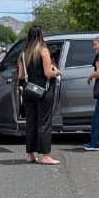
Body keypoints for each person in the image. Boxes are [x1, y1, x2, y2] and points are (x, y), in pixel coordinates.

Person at [18, 25, 61, 165]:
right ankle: (45, 156)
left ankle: (30, 155)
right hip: (43, 91)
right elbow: (48, 74)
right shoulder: (43, 51)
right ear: (40, 35)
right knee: (44, 123)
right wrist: (57, 72)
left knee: (30, 122)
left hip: (28, 91)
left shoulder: (23, 53)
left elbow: (20, 75)